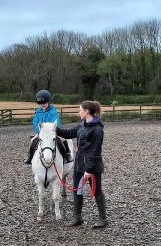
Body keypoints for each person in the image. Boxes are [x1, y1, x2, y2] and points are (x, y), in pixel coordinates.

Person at [56, 100, 107, 228]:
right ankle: (77, 217)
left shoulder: (97, 130)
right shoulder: (81, 125)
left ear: (87, 111)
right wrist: (54, 129)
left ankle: (103, 219)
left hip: (92, 167)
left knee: (97, 191)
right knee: (78, 191)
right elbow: (69, 133)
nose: (78, 112)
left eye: (80, 109)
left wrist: (88, 170)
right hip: (79, 164)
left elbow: (95, 152)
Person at [23, 89, 73, 164]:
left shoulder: (53, 112)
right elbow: (35, 123)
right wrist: (40, 131)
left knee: (63, 139)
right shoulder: (38, 112)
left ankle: (67, 155)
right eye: (41, 103)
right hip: (42, 132)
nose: (43, 105)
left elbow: (56, 122)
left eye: (44, 103)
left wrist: (52, 131)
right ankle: (29, 157)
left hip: (52, 132)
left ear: (48, 102)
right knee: (33, 140)